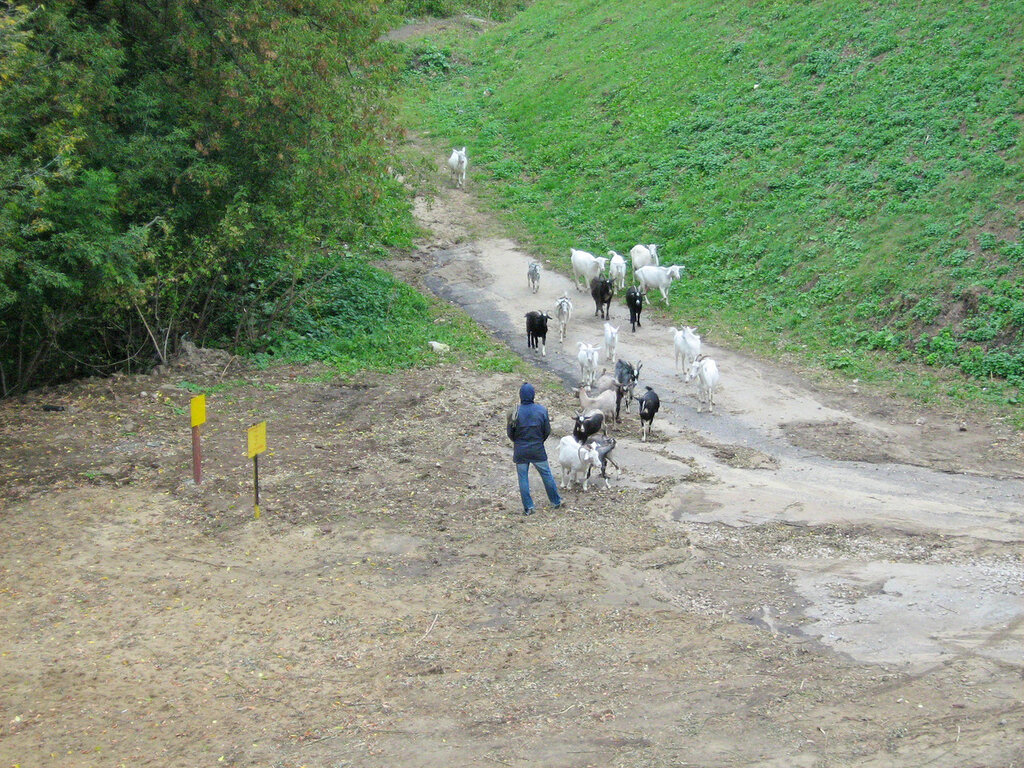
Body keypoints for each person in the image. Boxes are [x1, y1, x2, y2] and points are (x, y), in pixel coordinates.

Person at [506, 382, 563, 516]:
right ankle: (555, 501)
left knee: (523, 479)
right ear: (533, 395)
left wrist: (518, 442)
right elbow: (547, 430)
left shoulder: (515, 411)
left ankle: (529, 507)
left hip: (520, 450)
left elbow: (510, 433)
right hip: (537, 449)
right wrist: (538, 441)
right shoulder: (542, 410)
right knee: (547, 475)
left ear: (520, 395)